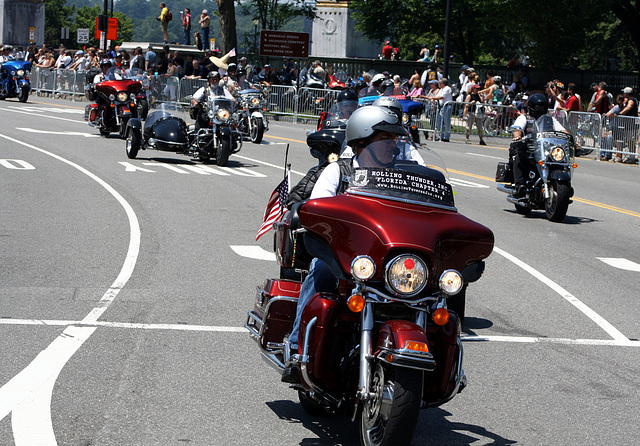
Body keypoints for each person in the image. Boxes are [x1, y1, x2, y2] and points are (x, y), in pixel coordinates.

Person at [282, 106, 414, 383]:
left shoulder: (406, 176)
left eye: (395, 139)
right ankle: (297, 349)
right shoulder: (337, 172)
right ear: (362, 141)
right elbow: (315, 212)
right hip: (344, 259)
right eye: (386, 139)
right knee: (320, 270)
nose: (394, 146)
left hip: (387, 261)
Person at [509, 93, 567, 197]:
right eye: (537, 106)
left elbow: (563, 131)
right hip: (529, 149)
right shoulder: (525, 118)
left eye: (542, 106)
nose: (540, 108)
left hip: (546, 150)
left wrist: (572, 141)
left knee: (560, 161)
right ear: (531, 107)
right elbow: (517, 128)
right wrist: (518, 136)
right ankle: (520, 185)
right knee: (520, 157)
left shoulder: (550, 120)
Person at [432, 77, 453, 142]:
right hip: (442, 107)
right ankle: (440, 135)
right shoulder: (441, 89)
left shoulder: (447, 88)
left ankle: (446, 137)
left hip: (447, 106)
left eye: (440, 83)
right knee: (439, 121)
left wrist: (432, 98)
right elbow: (436, 96)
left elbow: (441, 97)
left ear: (443, 83)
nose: (439, 84)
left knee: (446, 121)